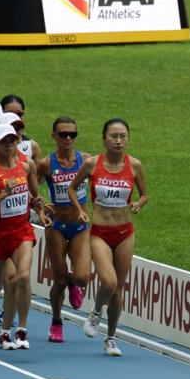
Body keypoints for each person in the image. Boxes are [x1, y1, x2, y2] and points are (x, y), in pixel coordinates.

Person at [69, 119, 149, 357]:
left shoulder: (134, 165)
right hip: (100, 233)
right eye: (113, 136)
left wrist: (137, 203)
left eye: (123, 136)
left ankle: (111, 338)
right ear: (104, 138)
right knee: (109, 282)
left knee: (118, 290)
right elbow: (73, 188)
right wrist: (80, 210)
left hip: (125, 233)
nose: (118, 141)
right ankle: (95, 312)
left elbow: (145, 194)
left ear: (128, 138)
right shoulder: (93, 164)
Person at [0, 124, 49, 350]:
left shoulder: (25, 167)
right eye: (4, 141)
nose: (9, 145)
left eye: (12, 140)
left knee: (22, 278)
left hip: (20, 231)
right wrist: (3, 196)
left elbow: (35, 197)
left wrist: (39, 207)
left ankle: (18, 330)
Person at [36, 116, 91, 342]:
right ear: (54, 137)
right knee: (58, 281)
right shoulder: (47, 164)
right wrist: (39, 207)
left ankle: (73, 282)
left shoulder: (86, 160)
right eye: (63, 134)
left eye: (72, 134)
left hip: (80, 226)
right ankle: (57, 321)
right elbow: (29, 186)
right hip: (56, 226)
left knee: (82, 277)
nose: (68, 138)